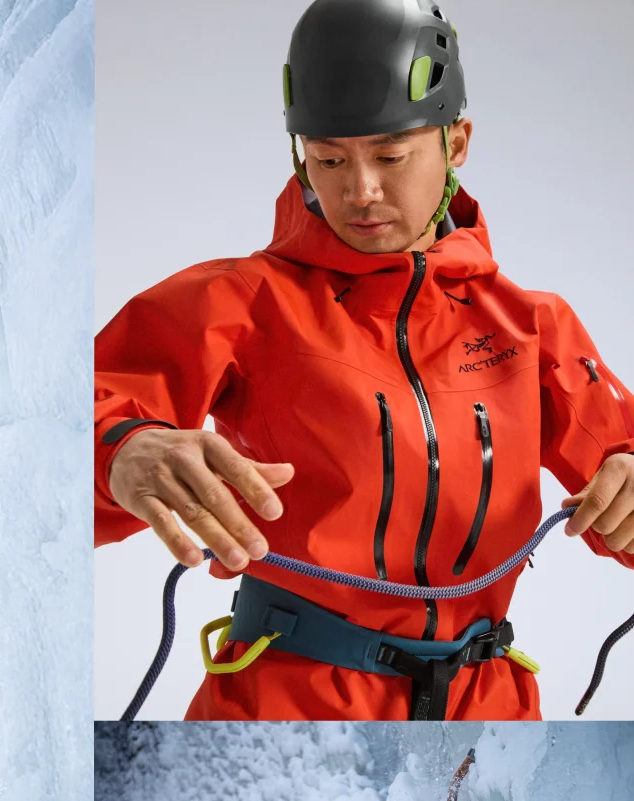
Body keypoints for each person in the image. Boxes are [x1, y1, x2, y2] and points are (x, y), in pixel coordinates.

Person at [94, 0, 634, 720]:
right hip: (284, 705)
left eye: (390, 155)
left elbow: (622, 462)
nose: (360, 191)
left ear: (457, 141)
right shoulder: (241, 302)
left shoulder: (532, 326)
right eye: (328, 159)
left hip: (488, 716)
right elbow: (53, 423)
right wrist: (122, 450)